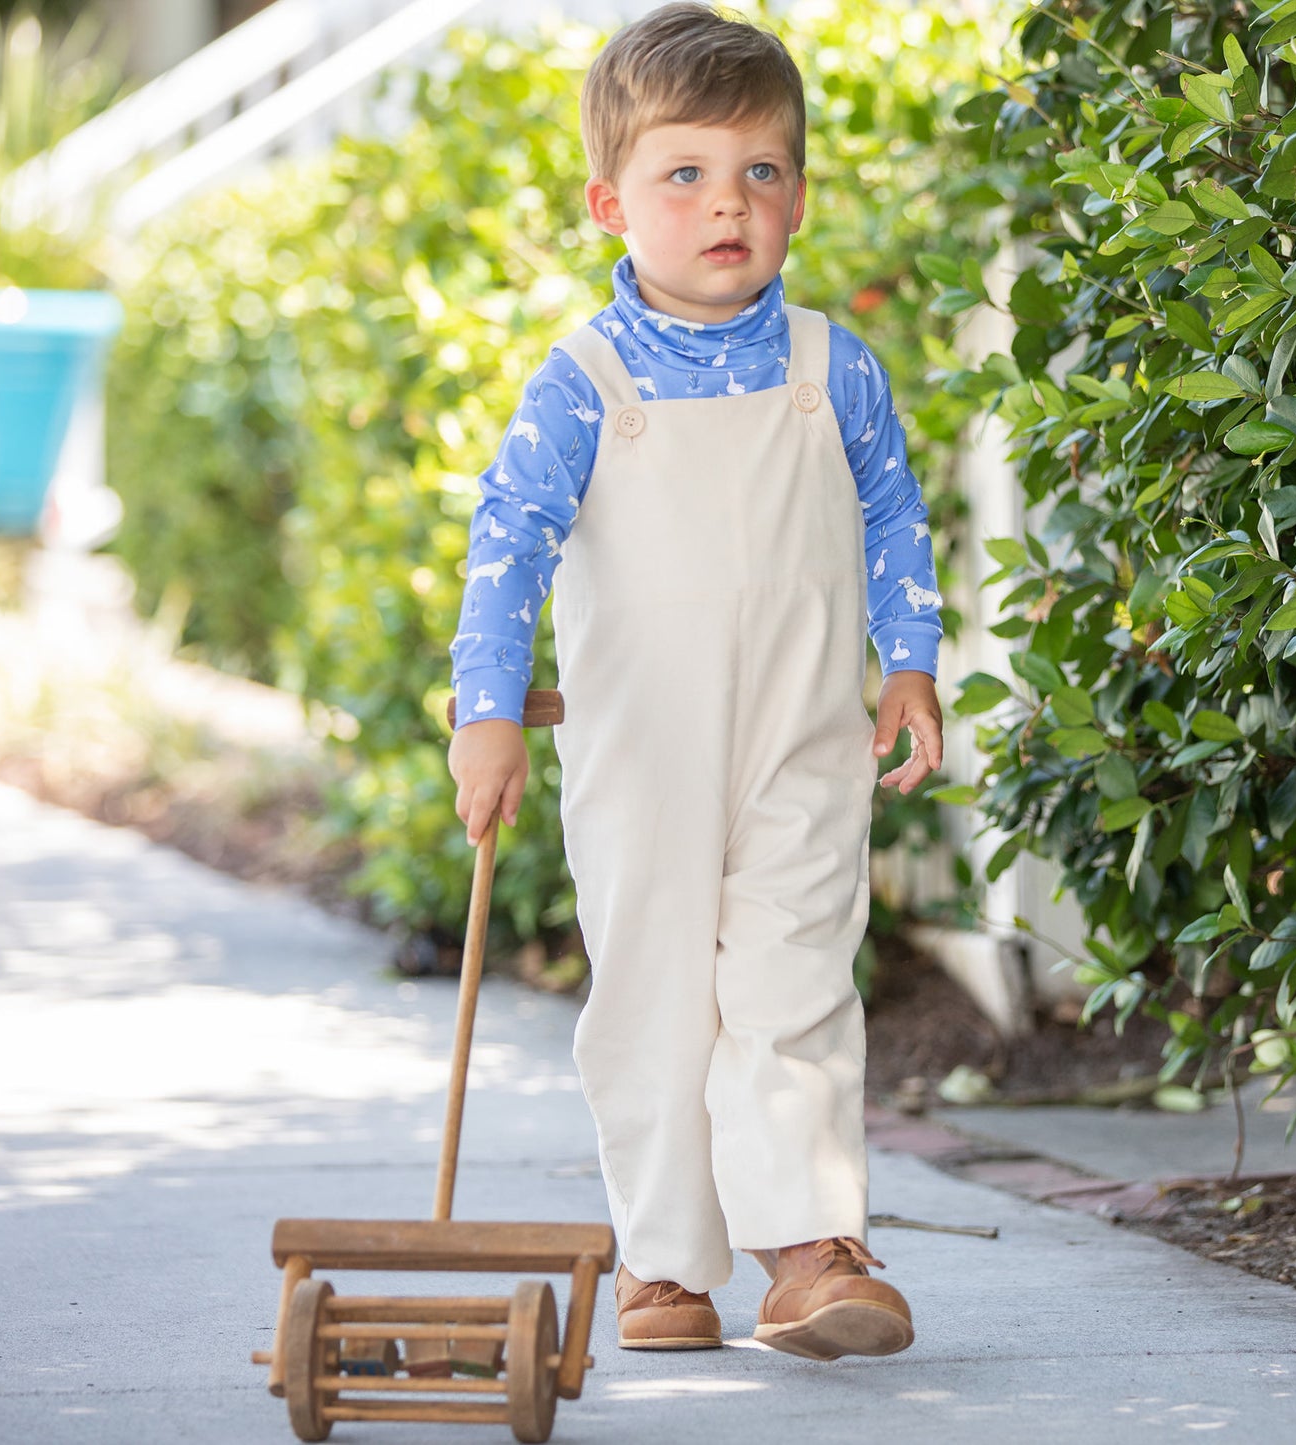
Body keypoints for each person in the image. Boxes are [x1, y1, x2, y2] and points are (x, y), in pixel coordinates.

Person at [448, 1, 944, 1361]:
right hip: (640, 751)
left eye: (759, 174)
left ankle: (809, 1245)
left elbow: (894, 519)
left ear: (796, 194)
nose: (727, 203)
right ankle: (665, 1257)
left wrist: (909, 666)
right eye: (685, 174)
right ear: (612, 199)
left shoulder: (831, 370)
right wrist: (486, 713)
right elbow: (507, 546)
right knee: (657, 991)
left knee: (793, 979)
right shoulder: (579, 384)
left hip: (800, 740)